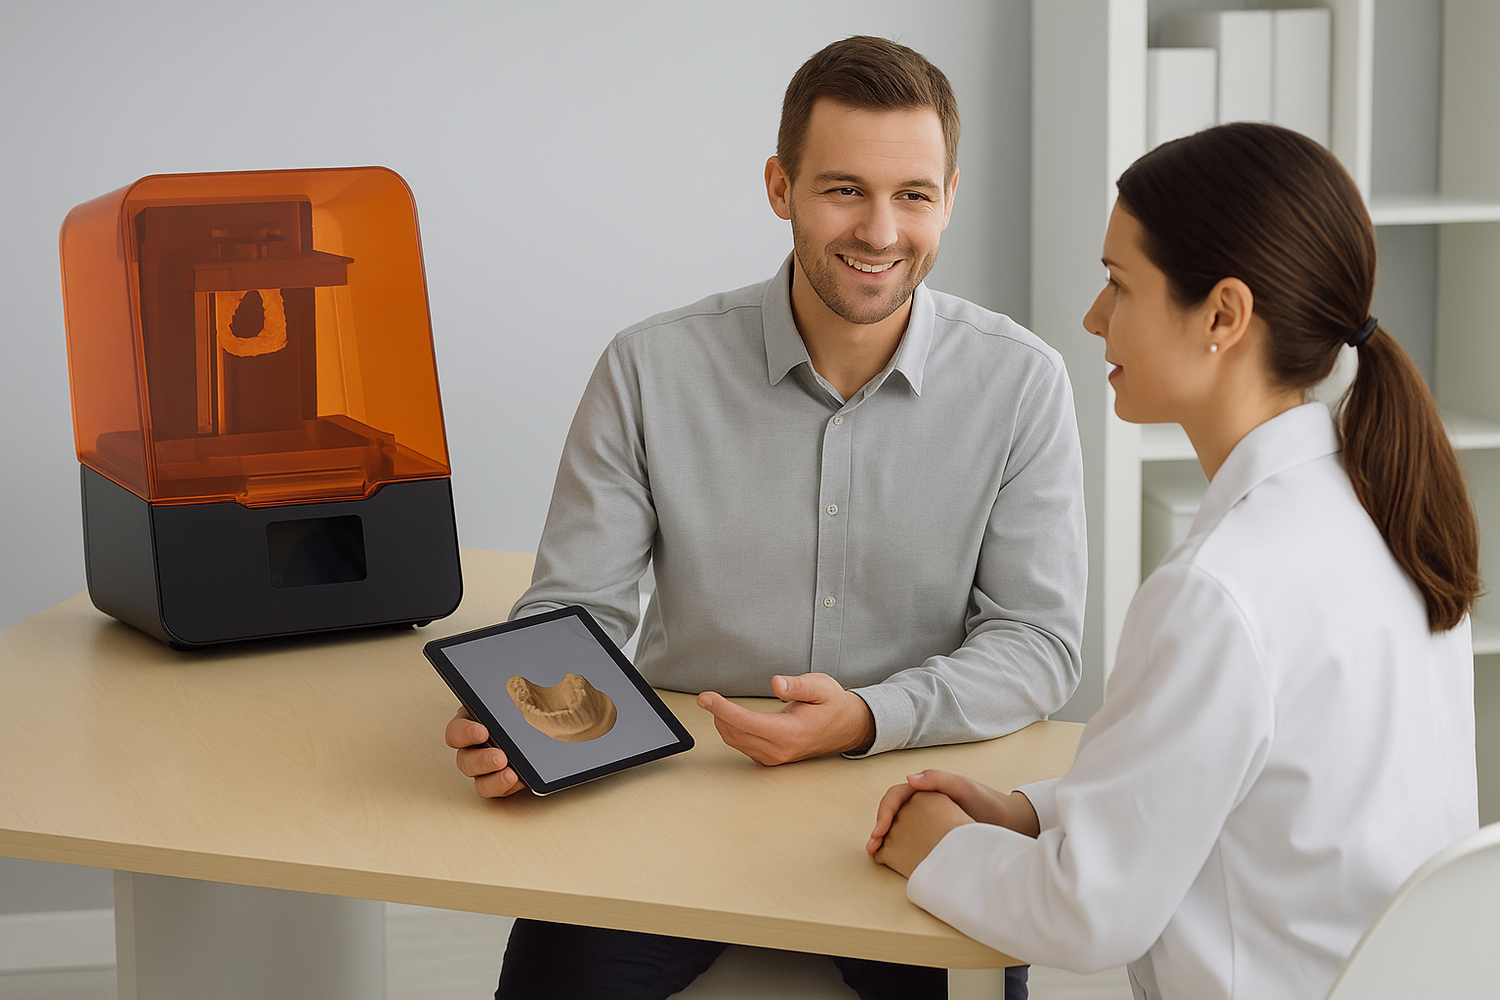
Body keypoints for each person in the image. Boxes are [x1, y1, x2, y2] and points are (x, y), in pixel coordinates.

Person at [446, 35, 1087, 1000]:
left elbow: (1038, 642)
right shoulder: (648, 369)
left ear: (950, 197)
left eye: (913, 194)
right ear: (780, 187)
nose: (880, 229)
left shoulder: (1022, 383)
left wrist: (869, 719)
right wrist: (520, 717)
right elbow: (574, 610)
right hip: (672, 802)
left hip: (906, 802)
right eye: (843, 189)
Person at [867, 121, 1481, 1000]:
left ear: (1223, 316)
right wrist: (1031, 812)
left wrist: (935, 842)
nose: (1092, 317)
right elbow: (1240, 792)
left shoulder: (1221, 588)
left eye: (1120, 284)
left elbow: (1088, 916)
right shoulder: (1387, 510)